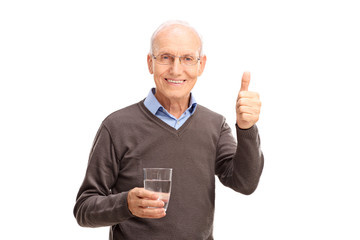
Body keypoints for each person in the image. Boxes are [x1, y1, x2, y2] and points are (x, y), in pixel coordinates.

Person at [74, 20, 264, 240]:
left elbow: (245, 183)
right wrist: (125, 204)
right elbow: (84, 209)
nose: (176, 69)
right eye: (165, 57)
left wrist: (246, 128)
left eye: (187, 58)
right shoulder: (116, 126)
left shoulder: (215, 125)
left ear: (200, 65)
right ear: (150, 63)